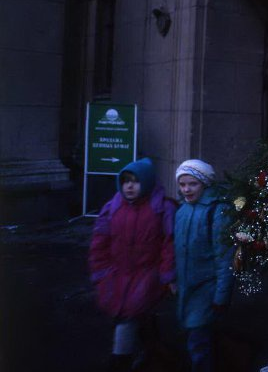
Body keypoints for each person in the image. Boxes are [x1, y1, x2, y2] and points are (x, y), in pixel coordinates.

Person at [88, 157, 177, 372]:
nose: (129, 185)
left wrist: (167, 275)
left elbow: (169, 244)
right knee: (136, 314)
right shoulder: (113, 208)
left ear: (146, 182)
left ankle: (120, 361)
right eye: (125, 181)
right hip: (117, 275)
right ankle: (155, 351)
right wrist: (100, 271)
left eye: (135, 181)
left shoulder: (161, 208)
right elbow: (99, 242)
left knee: (126, 317)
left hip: (147, 276)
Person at [173, 159, 234, 372]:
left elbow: (224, 257)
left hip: (205, 290)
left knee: (198, 342)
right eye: (182, 185)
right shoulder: (182, 211)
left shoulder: (216, 211)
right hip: (187, 289)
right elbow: (178, 249)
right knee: (198, 339)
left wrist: (221, 296)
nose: (186, 189)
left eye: (192, 184)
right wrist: (173, 278)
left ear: (205, 184)